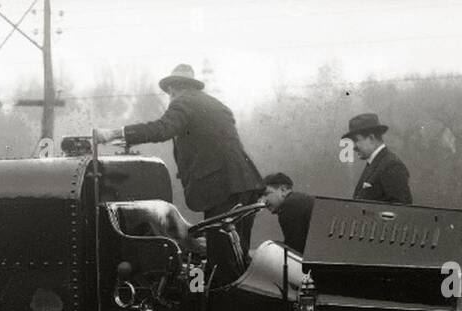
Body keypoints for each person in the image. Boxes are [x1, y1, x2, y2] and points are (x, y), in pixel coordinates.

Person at [93, 64, 264, 272]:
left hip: (223, 189)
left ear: (173, 89)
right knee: (237, 258)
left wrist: (115, 134)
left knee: (220, 263)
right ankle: (221, 299)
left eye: (169, 93)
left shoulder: (183, 101)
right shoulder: (215, 105)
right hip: (245, 185)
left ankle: (205, 300)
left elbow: (163, 128)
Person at [343, 113, 412, 204]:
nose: (353, 147)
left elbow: (401, 210)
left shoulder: (392, 165)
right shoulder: (376, 163)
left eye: (356, 140)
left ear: (371, 138)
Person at [260, 173, 315, 254]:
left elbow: (294, 252)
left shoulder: (289, 206)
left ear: (283, 190)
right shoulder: (298, 200)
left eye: (266, 194)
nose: (263, 201)